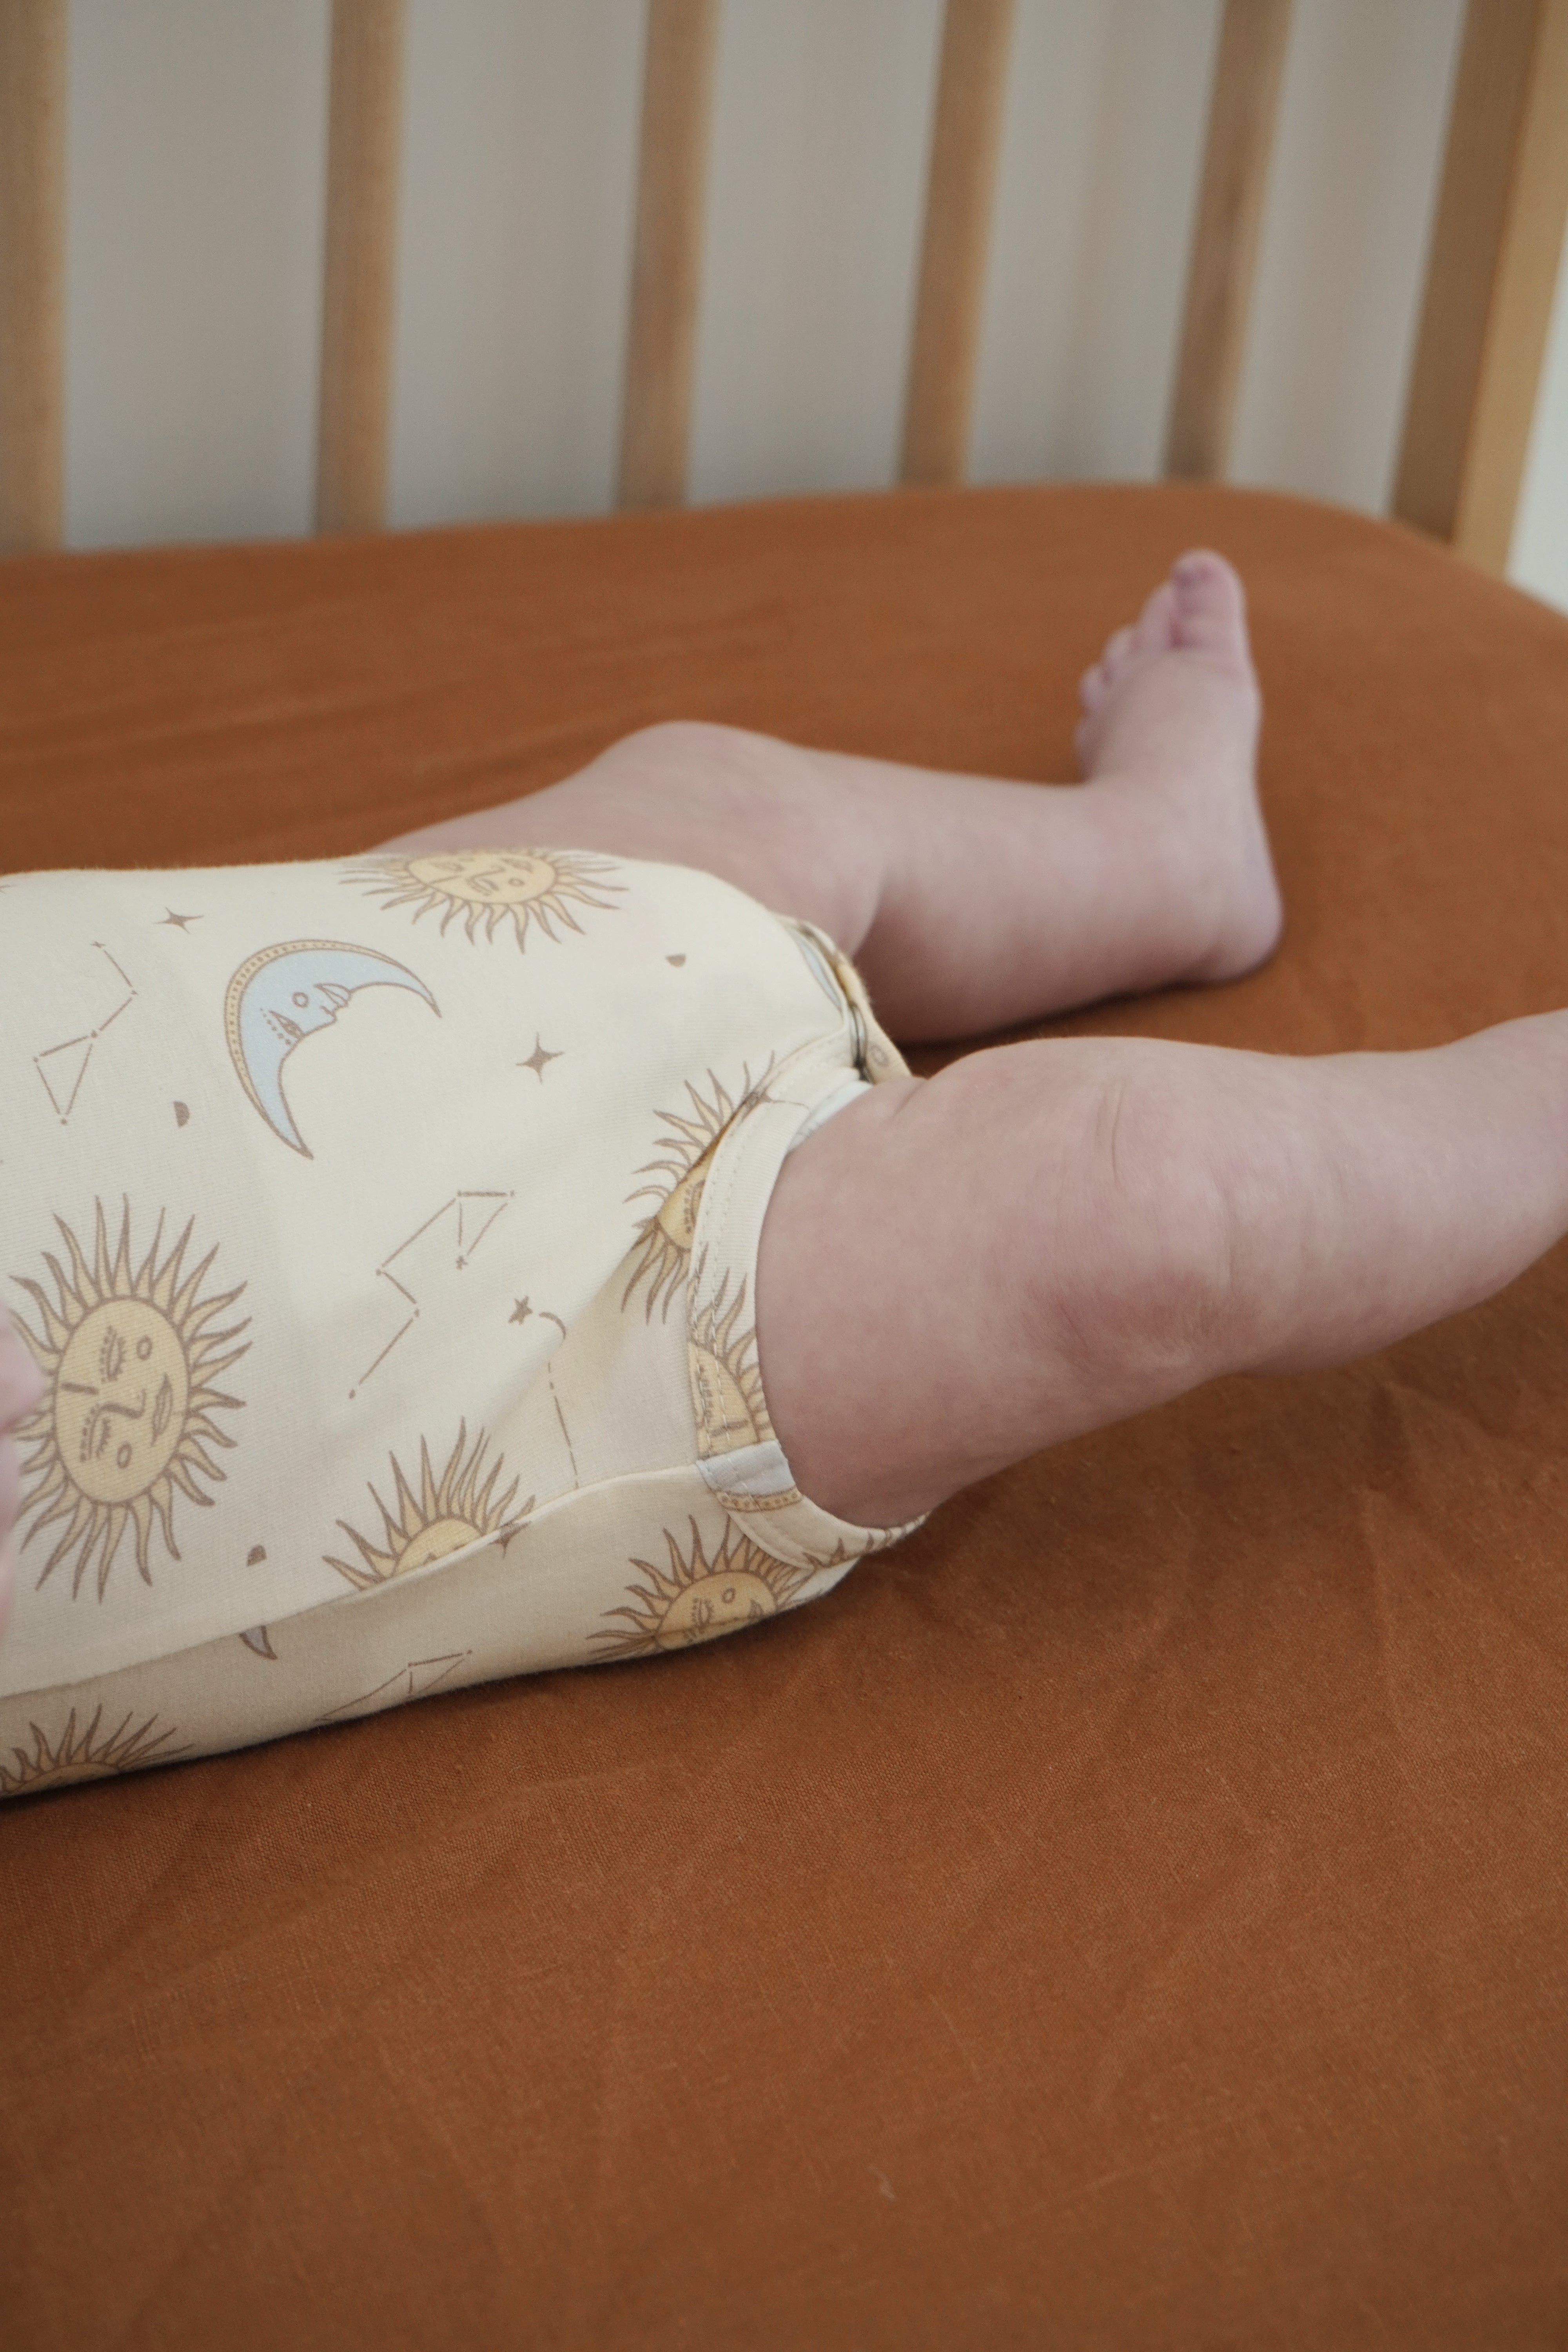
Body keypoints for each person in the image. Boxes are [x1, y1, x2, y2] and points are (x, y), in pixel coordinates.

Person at [1, 549, 1562, 1792]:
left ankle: (1161, 852)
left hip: (363, 971)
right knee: (1142, 1205)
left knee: (723, 799)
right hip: (535, 1374)